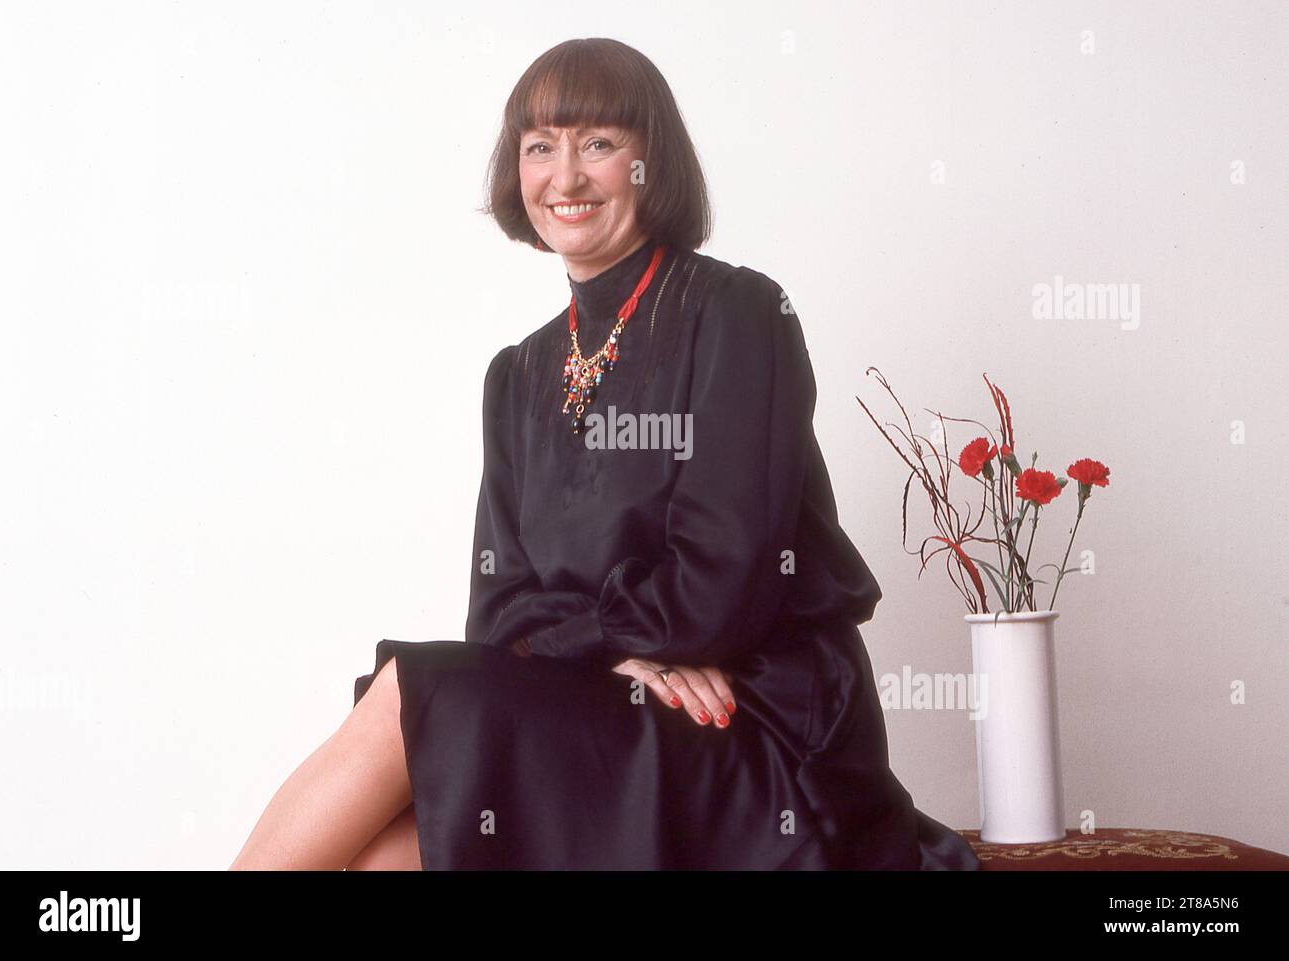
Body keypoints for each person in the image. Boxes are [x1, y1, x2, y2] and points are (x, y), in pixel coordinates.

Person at [230, 37, 981, 871]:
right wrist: (618, 654)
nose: (566, 176)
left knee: (411, 692)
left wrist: (587, 643)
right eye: (540, 146)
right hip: (611, 711)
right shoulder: (516, 375)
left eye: (598, 143)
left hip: (753, 730)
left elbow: (719, 587)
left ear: (650, 162)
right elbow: (498, 613)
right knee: (386, 857)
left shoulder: (738, 314)